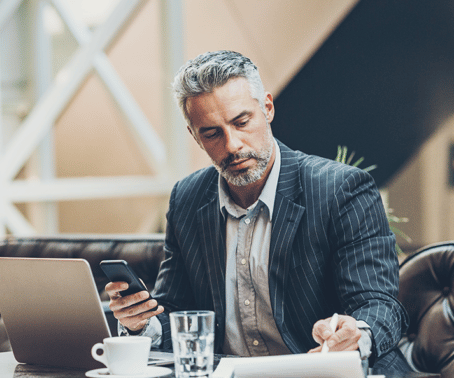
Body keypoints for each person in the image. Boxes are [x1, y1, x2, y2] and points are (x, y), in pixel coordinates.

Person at [105, 50, 410, 371]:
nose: (232, 145)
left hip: (317, 371)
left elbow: (379, 305)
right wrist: (142, 323)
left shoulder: (341, 189)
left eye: (241, 122)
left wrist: (355, 334)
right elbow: (177, 313)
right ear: (194, 136)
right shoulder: (187, 198)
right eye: (211, 133)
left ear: (267, 107)